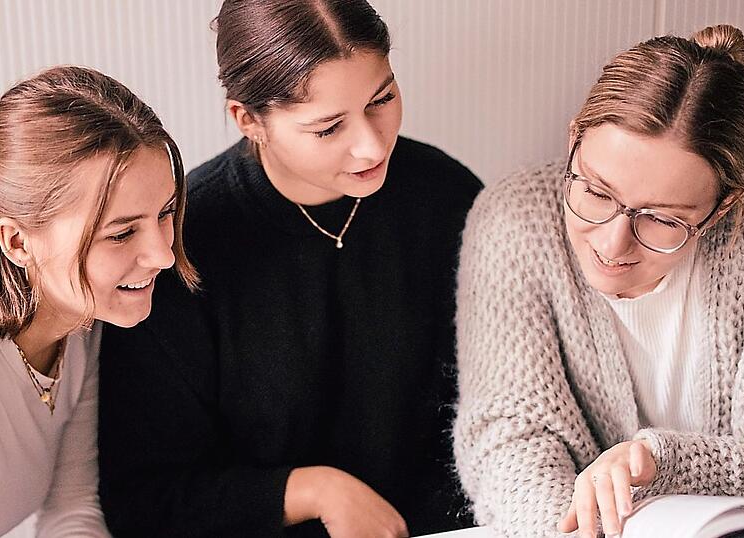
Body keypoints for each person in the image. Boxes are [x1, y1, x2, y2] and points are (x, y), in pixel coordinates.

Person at [453, 24, 744, 537]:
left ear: (721, 209)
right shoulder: (512, 221)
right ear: (574, 139)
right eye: (597, 193)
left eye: (662, 220)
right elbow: (508, 440)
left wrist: (660, 461)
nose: (611, 244)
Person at [96, 1, 483, 536]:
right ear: (248, 119)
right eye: (328, 128)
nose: (371, 144)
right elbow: (145, 499)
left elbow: (492, 405)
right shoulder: (177, 250)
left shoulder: (445, 196)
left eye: (383, 98)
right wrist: (308, 490)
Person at [0, 66, 198, 537]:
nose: (162, 255)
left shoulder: (83, 318)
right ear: (17, 242)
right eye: (121, 233)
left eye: (164, 214)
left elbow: (71, 511)